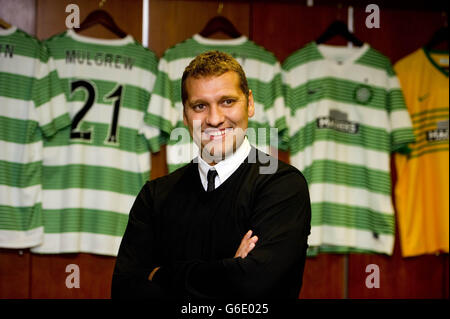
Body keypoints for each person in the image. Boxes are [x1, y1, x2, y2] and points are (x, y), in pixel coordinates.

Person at [111, 50, 311, 299]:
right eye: (200, 106)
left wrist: (161, 275)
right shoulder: (155, 196)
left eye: (227, 101)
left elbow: (256, 286)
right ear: (185, 115)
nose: (215, 119)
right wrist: (231, 272)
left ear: (249, 104)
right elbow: (125, 292)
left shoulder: (282, 186)